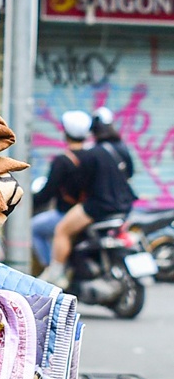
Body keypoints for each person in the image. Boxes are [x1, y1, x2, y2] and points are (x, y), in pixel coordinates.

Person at [42, 108, 139, 285]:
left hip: (98, 206)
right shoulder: (120, 149)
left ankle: (57, 274)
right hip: (124, 206)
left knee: (62, 231)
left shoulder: (92, 154)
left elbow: (79, 185)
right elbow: (130, 173)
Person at [31, 110, 90, 271]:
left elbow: (47, 192)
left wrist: (30, 201)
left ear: (66, 133)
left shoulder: (62, 161)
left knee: (34, 228)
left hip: (64, 213)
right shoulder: (92, 157)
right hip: (87, 213)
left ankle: (50, 269)